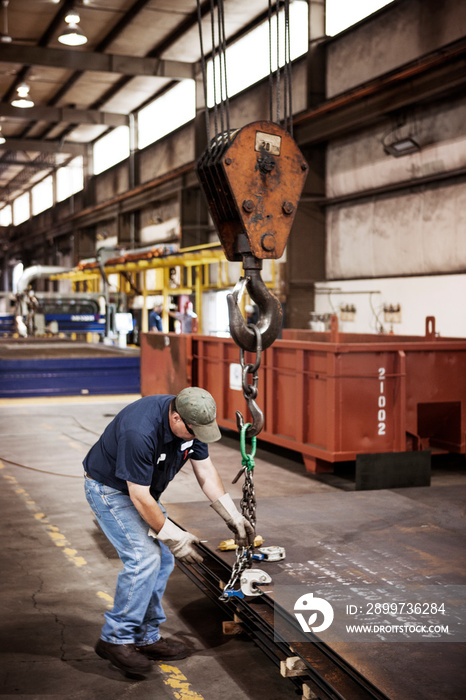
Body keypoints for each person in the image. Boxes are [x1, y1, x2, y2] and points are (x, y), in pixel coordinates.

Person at [83, 387, 253, 677]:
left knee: (162, 560)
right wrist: (174, 537)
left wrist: (232, 514)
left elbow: (205, 470)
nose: (199, 437)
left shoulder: (193, 424)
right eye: (194, 432)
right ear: (175, 418)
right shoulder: (140, 431)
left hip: (143, 491)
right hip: (112, 491)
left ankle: (145, 637)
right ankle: (115, 638)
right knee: (144, 558)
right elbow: (138, 496)